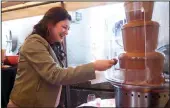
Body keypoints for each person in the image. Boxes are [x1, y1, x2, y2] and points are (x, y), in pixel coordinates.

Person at [7, 7, 117, 107]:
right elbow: (56, 75)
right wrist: (94, 66)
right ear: (50, 24)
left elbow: (61, 73)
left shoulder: (50, 45)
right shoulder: (33, 43)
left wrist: (95, 70)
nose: (67, 32)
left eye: (68, 28)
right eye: (64, 27)